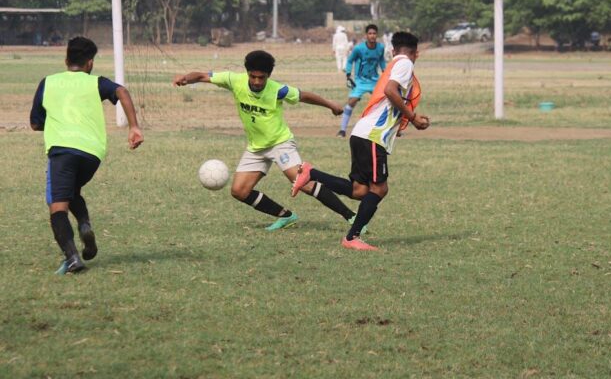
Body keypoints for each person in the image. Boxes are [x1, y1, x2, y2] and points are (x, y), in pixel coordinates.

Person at [172, 50, 362, 232]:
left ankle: (351, 216)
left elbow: (304, 96)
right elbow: (202, 76)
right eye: (252, 76)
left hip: (280, 143)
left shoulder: (278, 90)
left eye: (261, 77)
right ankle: (285, 216)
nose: (256, 81)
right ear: (247, 73)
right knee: (239, 191)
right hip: (256, 148)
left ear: (268, 76)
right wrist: (186, 79)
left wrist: (330, 105)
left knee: (301, 182)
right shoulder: (234, 80)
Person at [292, 32, 430, 251]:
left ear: (392, 50)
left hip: (362, 133)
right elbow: (390, 91)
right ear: (416, 53)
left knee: (359, 191)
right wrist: (412, 118)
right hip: (372, 136)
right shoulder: (405, 64)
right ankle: (351, 237)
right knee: (380, 189)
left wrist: (409, 117)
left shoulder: (394, 63)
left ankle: (311, 173)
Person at [30, 36, 144, 274]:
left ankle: (72, 258)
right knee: (72, 192)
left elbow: (35, 123)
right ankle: (84, 225)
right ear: (90, 63)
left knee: (57, 205)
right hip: (92, 153)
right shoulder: (96, 83)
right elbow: (121, 91)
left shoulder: (47, 82)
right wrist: (134, 126)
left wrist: (54, 123)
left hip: (62, 151)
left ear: (66, 60)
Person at [337, 24, 386, 138]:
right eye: (370, 33)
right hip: (360, 81)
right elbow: (350, 61)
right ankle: (342, 130)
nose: (372, 36)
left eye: (374, 33)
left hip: (374, 80)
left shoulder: (380, 48)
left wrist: (385, 72)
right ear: (366, 35)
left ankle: (384, 129)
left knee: (383, 103)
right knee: (351, 102)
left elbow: (381, 60)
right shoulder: (359, 48)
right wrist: (348, 74)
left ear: (376, 35)